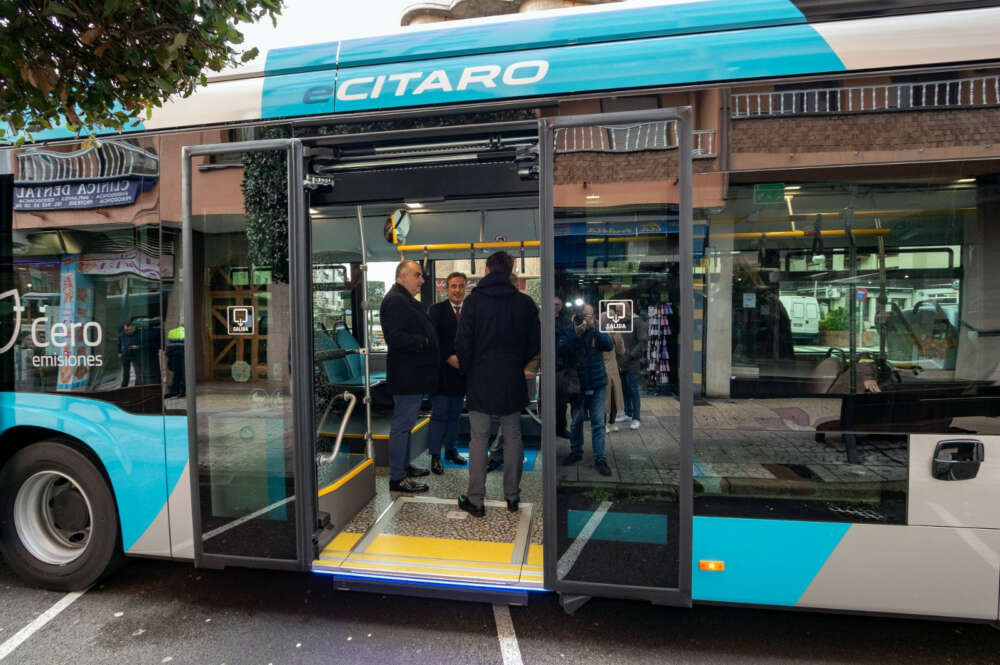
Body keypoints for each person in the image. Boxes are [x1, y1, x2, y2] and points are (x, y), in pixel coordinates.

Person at [455, 251, 540, 516]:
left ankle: (476, 501)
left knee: (478, 438)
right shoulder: (525, 303)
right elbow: (535, 342)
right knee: (513, 435)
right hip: (511, 378)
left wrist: (469, 369)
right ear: (512, 268)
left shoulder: (473, 302)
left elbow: (463, 343)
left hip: (480, 378)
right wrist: (520, 364)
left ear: (488, 269)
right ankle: (512, 498)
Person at [379, 260, 437, 493]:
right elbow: (395, 338)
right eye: (417, 275)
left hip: (413, 375)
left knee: (406, 424)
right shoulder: (395, 301)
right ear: (402, 276)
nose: (422, 281)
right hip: (406, 377)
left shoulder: (403, 299)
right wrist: (422, 341)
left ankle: (403, 466)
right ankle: (397, 477)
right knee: (402, 426)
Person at [560, 303, 614, 476]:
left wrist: (594, 328)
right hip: (578, 386)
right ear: (577, 316)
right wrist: (576, 333)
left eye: (590, 316)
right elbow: (561, 349)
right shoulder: (571, 330)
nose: (586, 318)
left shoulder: (598, 330)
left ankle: (600, 458)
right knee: (576, 421)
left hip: (597, 383)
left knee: (598, 421)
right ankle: (576, 452)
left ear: (594, 317)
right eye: (584, 315)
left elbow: (609, 345)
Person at [426, 272, 469, 474]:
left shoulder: (470, 310)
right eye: (453, 286)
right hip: (442, 372)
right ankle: (435, 455)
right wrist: (448, 357)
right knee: (439, 415)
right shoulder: (436, 310)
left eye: (461, 286)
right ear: (446, 288)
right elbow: (433, 339)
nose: (457, 290)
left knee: (455, 415)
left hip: (461, 373)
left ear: (465, 288)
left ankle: (451, 450)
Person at [618, 301, 648, 430]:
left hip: (631, 363)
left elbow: (642, 342)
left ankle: (636, 417)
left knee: (633, 390)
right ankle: (628, 413)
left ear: (627, 309)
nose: (617, 313)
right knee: (624, 389)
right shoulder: (619, 322)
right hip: (621, 362)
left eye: (619, 310)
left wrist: (630, 355)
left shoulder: (637, 322)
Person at [601, 311, 626, 432]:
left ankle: (611, 422)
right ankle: (604, 423)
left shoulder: (615, 332)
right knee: (605, 398)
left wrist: (618, 338)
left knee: (614, 397)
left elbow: (621, 351)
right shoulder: (599, 332)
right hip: (603, 369)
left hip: (613, 369)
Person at [553, 296, 575, 438]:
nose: (555, 306)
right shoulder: (541, 319)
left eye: (557, 304)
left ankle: (560, 428)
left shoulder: (565, 322)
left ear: (561, 306)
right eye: (553, 304)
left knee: (561, 401)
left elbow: (569, 341)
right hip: (547, 363)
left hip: (560, 365)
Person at [165, 325, 185, 398]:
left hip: (173, 355)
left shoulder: (172, 332)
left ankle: (174, 390)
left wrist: (168, 355)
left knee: (176, 374)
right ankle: (181, 390)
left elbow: (169, 347)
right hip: (182, 355)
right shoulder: (186, 332)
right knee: (182, 374)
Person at [119, 320, 140, 388]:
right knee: (125, 373)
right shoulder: (122, 334)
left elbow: (142, 342)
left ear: (133, 327)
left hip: (135, 355)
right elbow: (119, 344)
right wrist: (119, 352)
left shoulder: (138, 333)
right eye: (126, 329)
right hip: (125, 355)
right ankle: (124, 387)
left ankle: (138, 386)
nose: (127, 331)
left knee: (138, 372)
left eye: (129, 329)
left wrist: (138, 347)